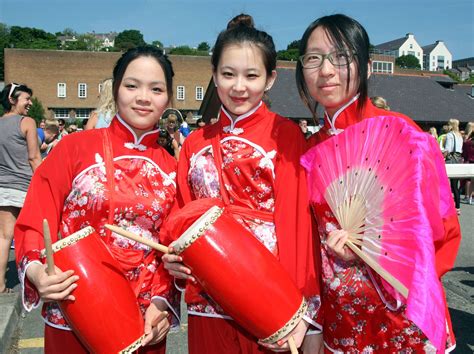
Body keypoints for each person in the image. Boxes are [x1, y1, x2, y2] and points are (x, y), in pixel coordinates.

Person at [295, 14, 460, 352]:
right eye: (313, 58)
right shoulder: (309, 153)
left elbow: (443, 230)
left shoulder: (404, 136)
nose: (325, 70)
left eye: (341, 57)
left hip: (404, 320)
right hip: (342, 320)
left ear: (367, 67)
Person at [162, 14, 322, 354]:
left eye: (252, 75)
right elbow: (180, 214)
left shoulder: (286, 135)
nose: (239, 86)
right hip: (208, 290)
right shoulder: (194, 143)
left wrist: (301, 311)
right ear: (214, 75)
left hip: (268, 290)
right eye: (228, 74)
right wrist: (173, 254)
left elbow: (296, 225)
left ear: (270, 79)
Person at [14, 46, 179, 353]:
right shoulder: (74, 148)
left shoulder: (173, 169)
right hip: (74, 307)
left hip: (143, 319)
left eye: (156, 89)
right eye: (132, 85)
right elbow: (37, 217)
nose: (143, 97)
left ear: (168, 99)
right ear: (116, 89)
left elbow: (173, 252)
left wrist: (162, 303)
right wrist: (37, 271)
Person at [0, 83, 41, 293]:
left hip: (2, 187)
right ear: (12, 100)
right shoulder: (27, 122)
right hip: (24, 187)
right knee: (34, 233)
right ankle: (36, 279)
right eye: (26, 99)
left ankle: (0, 284)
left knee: (4, 237)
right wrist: (46, 182)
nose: (30, 103)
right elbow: (34, 157)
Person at [443, 118, 463, 214]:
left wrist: (442, 155)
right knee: (455, 185)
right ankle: (457, 206)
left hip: (451, 160)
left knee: (446, 184)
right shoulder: (460, 135)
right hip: (458, 159)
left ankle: (447, 205)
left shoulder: (450, 135)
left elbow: (448, 149)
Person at [462, 122, 474, 204]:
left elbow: (464, 153)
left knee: (469, 180)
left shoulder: (467, 142)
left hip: (469, 161)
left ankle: (468, 197)